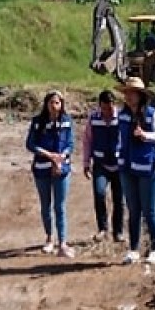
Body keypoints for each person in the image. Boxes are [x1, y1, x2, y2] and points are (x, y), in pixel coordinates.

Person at [116, 77, 155, 265]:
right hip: (128, 168)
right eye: (126, 92)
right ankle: (134, 249)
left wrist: (144, 135)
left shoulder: (152, 115)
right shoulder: (122, 115)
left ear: (140, 95)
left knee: (149, 209)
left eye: (131, 92)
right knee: (133, 209)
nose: (127, 96)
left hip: (149, 168)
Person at [25, 89, 75, 258]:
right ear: (46, 104)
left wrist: (62, 156)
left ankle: (62, 242)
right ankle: (49, 238)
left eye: (57, 103)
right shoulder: (37, 122)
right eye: (51, 102)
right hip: (42, 169)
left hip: (61, 169)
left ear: (62, 105)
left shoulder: (67, 122)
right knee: (45, 205)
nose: (54, 106)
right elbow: (30, 144)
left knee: (59, 206)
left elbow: (70, 144)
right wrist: (48, 155)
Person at [82, 90, 124, 243]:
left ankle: (118, 231)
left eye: (110, 107)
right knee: (99, 194)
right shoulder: (93, 119)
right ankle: (102, 229)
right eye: (105, 108)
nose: (107, 111)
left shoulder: (121, 118)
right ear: (100, 106)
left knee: (119, 199)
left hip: (119, 165)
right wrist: (86, 163)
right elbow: (87, 141)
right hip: (100, 164)